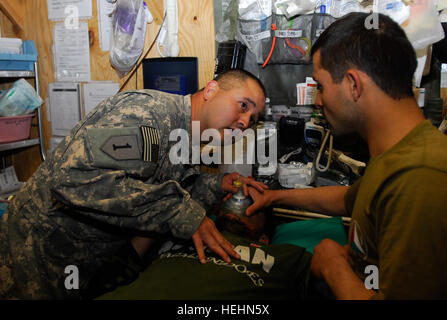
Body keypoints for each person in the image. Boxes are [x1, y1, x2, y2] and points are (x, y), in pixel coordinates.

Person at [0, 69, 268, 299]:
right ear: (211, 90)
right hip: (35, 257)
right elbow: (74, 179)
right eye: (243, 106)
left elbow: (156, 186)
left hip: (78, 263)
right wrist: (181, 212)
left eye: (253, 120)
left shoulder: (186, 136)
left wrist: (218, 185)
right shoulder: (148, 116)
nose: (245, 122)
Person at [246, 12, 447, 299]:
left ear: (354, 85)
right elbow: (350, 199)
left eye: (321, 86)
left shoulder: (420, 178)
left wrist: (334, 268)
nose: (318, 100)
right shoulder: (398, 155)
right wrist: (275, 197)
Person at [95, 204, 313, 300]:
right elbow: (122, 265)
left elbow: (332, 268)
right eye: (233, 202)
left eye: (250, 207)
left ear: (263, 238)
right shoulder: (180, 235)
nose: (238, 208)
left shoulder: (281, 256)